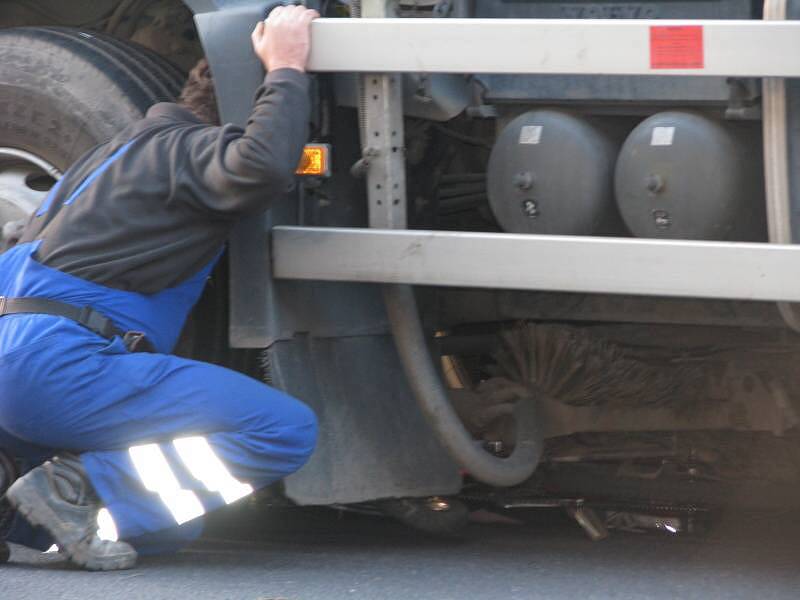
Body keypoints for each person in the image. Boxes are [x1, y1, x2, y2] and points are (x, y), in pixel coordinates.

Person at [0, 5, 320, 571]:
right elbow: (262, 166)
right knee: (283, 429)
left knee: (171, 522)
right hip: (64, 367)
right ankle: (72, 487)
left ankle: (16, 511)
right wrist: (287, 70)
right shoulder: (185, 150)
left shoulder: (110, 157)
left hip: (18, 365)